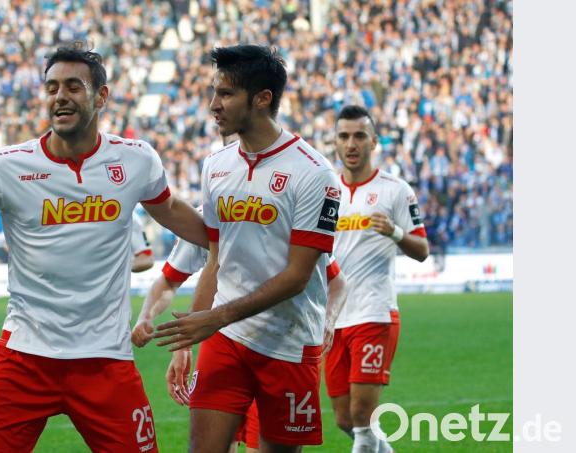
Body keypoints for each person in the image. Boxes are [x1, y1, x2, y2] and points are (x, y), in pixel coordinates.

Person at [0, 43, 207, 453]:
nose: (61, 96)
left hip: (105, 360)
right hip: (24, 356)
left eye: (74, 86)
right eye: (52, 87)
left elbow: (174, 212)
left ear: (101, 97)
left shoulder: (135, 161)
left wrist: (238, 241)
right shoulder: (3, 167)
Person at [152, 44, 341, 452]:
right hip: (227, 338)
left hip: (289, 343)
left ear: (261, 99)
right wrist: (187, 342)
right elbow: (216, 260)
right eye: (214, 92)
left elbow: (297, 277)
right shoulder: (216, 166)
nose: (213, 104)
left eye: (225, 94)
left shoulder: (314, 174)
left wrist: (214, 317)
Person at [133, 230, 349, 453]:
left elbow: (337, 281)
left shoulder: (294, 216)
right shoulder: (210, 213)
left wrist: (329, 322)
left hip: (282, 349)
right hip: (224, 344)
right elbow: (174, 278)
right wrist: (148, 319)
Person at [326, 105, 429, 453]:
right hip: (332, 319)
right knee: (344, 418)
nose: (351, 144)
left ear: (373, 142)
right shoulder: (325, 192)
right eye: (344, 136)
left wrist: (396, 232)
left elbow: (423, 248)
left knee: (361, 414)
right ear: (335, 143)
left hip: (375, 313)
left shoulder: (396, 190)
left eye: (358, 136)